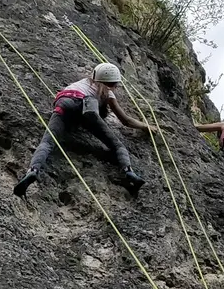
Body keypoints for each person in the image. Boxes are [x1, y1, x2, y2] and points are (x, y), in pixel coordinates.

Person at [15, 63, 151, 198]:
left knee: (47, 143)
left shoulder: (81, 83)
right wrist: (146, 126)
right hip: (86, 105)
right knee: (117, 146)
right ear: (114, 83)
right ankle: (128, 171)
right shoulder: (107, 92)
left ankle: (33, 170)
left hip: (63, 103)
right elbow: (125, 120)